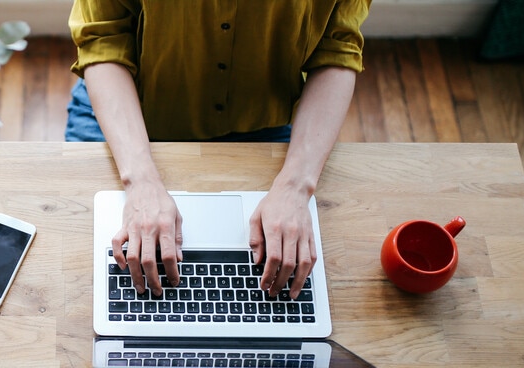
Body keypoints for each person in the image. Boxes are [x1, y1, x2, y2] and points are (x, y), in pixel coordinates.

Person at [67, 2, 370, 300]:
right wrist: (141, 182)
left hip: (263, 123)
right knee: (81, 273)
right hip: (127, 110)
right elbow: (104, 39)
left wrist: (296, 185)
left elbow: (337, 48)